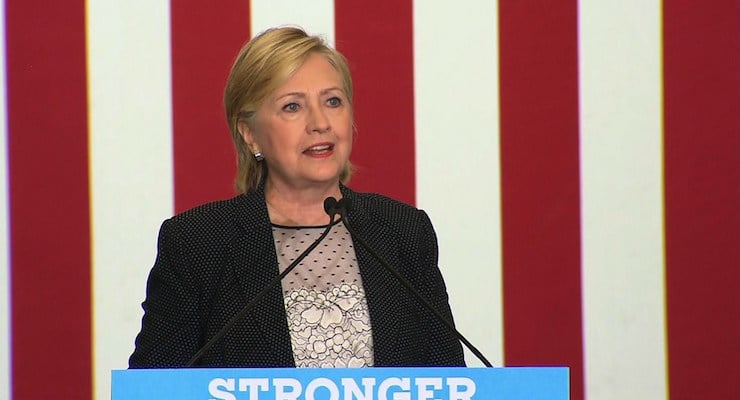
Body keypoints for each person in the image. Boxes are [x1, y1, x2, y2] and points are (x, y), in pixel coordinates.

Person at [129, 26, 464, 368]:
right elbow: (152, 386)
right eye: (292, 106)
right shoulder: (198, 243)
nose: (320, 123)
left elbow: (451, 381)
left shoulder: (403, 231)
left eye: (333, 101)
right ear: (250, 134)